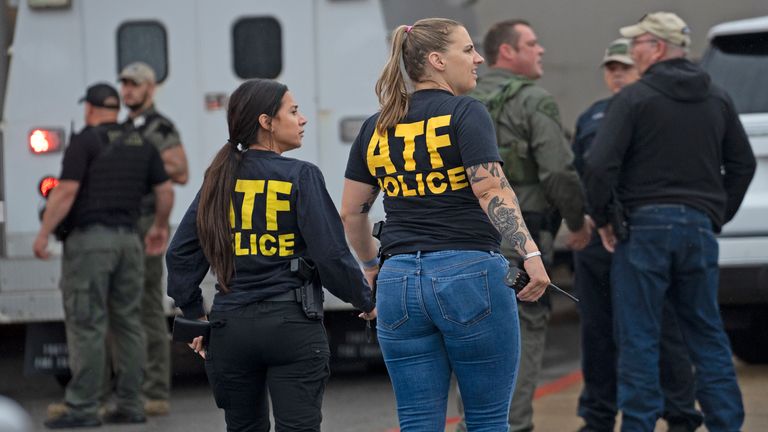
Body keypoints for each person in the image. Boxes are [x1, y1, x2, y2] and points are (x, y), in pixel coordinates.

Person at [341, 18, 550, 432]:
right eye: (468, 50)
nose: (478, 59)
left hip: (398, 282)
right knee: (487, 419)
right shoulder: (465, 112)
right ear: (437, 60)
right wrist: (531, 253)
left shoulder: (376, 125)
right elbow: (491, 190)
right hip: (469, 274)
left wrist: (370, 269)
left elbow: (351, 212)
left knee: (418, 421)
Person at [165, 78, 376, 432]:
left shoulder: (217, 180)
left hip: (230, 328)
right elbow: (331, 253)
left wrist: (193, 314)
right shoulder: (301, 175)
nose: (303, 119)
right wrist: (364, 299)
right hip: (291, 326)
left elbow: (181, 254)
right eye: (293, 111)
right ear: (267, 122)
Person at [584, 12, 756, 432]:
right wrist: (714, 214)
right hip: (698, 230)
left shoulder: (634, 98)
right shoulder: (717, 97)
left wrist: (605, 219)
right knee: (707, 333)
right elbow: (743, 164)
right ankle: (726, 425)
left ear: (657, 47)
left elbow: (599, 166)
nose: (632, 52)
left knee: (640, 337)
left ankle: (639, 425)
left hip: (643, 231)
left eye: (637, 44)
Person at [455, 19, 592, 432]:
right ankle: (512, 426)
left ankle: (470, 424)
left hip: (466, 240)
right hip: (521, 239)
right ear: (507, 53)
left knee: (471, 339)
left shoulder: (460, 99)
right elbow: (557, 172)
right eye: (532, 44)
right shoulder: (534, 100)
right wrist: (576, 220)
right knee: (523, 335)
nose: (541, 51)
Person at [573, 38, 701, 432]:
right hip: (599, 239)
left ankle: (680, 412)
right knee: (597, 331)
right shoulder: (592, 116)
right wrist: (584, 219)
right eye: (611, 68)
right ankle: (597, 416)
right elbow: (581, 172)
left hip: (641, 234)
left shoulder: (658, 112)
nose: (616, 75)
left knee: (662, 328)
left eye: (624, 68)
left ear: (643, 69)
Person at [34, 82, 173, 428]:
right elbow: (166, 190)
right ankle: (129, 403)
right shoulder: (143, 143)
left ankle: (84, 406)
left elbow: (66, 192)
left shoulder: (84, 141)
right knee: (128, 322)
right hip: (130, 242)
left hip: (91, 243)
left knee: (87, 323)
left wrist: (42, 234)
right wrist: (159, 226)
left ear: (91, 109)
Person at [119, 61, 188, 416]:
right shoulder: (121, 128)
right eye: (125, 84)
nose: (128, 90)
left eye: (135, 84)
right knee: (121, 308)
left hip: (147, 223)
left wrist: (144, 162)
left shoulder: (160, 127)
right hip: (119, 224)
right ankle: (127, 387)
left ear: (150, 88)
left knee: (147, 307)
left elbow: (180, 169)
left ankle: (156, 389)